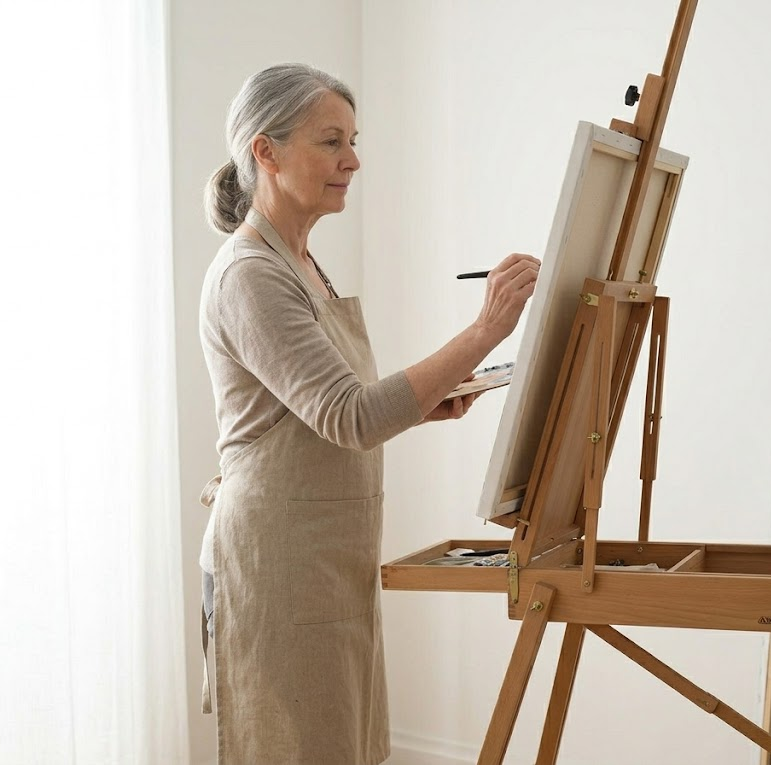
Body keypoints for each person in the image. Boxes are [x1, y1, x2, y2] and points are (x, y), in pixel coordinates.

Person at [198, 63, 539, 765]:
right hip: (278, 563)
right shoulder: (249, 274)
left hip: (327, 554)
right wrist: (485, 331)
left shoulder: (302, 263)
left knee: (341, 745)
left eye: (353, 142)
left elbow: (325, 412)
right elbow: (351, 415)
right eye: (331, 142)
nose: (352, 161)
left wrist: (421, 408)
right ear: (266, 151)